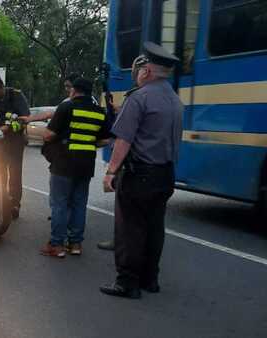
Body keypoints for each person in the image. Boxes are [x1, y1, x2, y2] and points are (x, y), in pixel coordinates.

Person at [100, 42, 183, 299]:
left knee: (129, 230)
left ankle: (127, 283)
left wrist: (111, 172)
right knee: (154, 228)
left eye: (138, 70)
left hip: (140, 175)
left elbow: (124, 140)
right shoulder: (175, 100)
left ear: (146, 71)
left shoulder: (140, 97)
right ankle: (150, 279)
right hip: (165, 174)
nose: (135, 75)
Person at [39, 78, 111, 257]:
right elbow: (105, 139)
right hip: (86, 164)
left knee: (60, 204)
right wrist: (87, 142)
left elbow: (49, 135)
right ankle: (76, 244)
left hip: (64, 163)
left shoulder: (67, 107)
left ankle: (56, 245)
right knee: (79, 204)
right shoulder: (99, 111)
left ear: (74, 90)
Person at [0, 74, 31, 219]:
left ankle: (15, 204)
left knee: (15, 173)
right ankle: (2, 201)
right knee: (0, 173)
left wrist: (6, 128)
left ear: (1, 87)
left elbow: (25, 119)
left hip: (15, 140)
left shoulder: (16, 96)